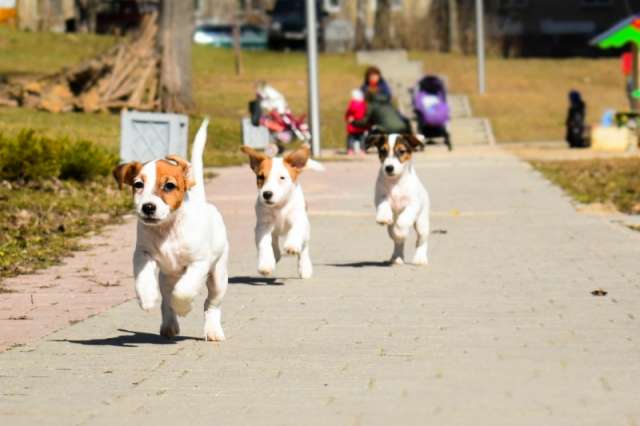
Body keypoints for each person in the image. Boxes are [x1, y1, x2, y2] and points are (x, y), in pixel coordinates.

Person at [344, 89, 367, 155]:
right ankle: (362, 150)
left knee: (351, 139)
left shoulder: (352, 104)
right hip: (361, 126)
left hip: (352, 126)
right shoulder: (364, 105)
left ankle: (350, 150)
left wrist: (347, 118)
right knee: (362, 138)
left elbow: (348, 114)